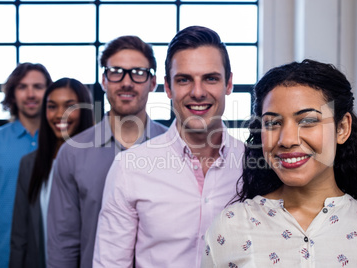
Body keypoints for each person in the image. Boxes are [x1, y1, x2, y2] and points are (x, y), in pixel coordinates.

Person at [201, 59, 357, 267]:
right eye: (273, 123)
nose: (286, 140)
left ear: (342, 128)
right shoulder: (229, 227)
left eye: (308, 121)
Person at [93, 26, 245, 268]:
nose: (198, 92)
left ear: (228, 84)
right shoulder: (129, 168)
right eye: (184, 80)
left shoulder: (254, 165)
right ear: (167, 87)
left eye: (210, 78)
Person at [47, 35, 167, 268]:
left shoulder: (174, 147)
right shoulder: (72, 154)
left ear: (153, 83)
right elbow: (63, 243)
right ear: (103, 80)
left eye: (139, 72)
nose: (126, 82)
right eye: (116, 72)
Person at [9, 78, 94, 268]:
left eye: (70, 106)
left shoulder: (99, 163)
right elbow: (19, 235)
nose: (60, 115)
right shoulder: (30, 164)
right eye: (52, 106)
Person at [0, 63, 52, 268]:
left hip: (53, 256)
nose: (30, 94)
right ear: (12, 94)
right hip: (2, 255)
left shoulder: (64, 145)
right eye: (22, 87)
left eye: (38, 87)